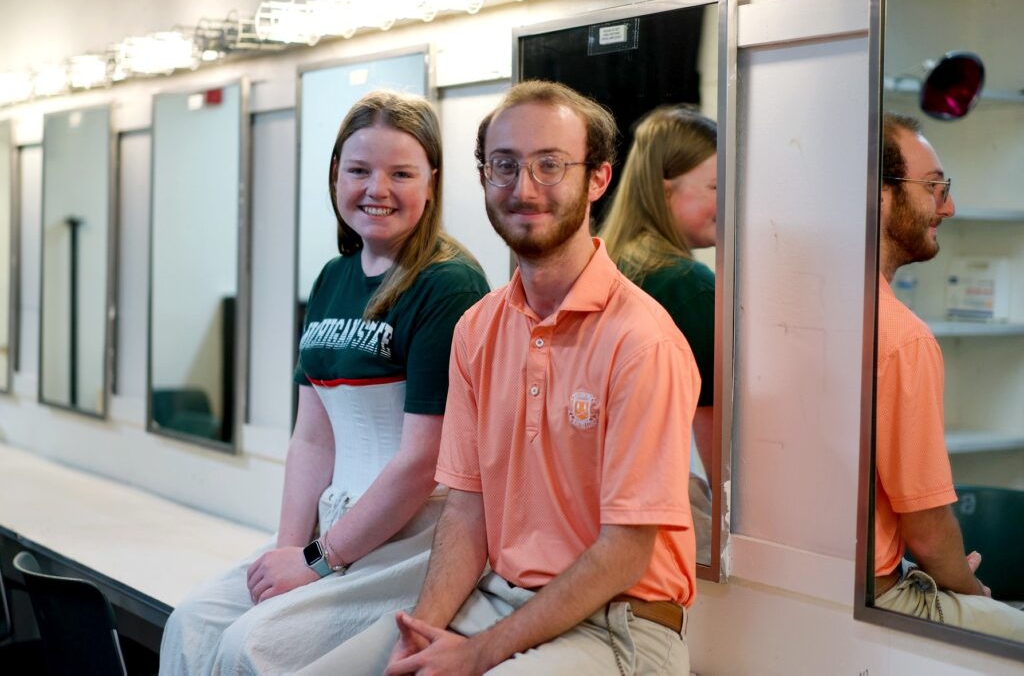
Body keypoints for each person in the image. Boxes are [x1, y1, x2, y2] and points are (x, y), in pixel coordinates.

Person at [300, 80, 700, 675]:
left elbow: (624, 553)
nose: (524, 188)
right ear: (484, 177)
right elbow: (466, 512)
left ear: (598, 179)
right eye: (504, 166)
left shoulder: (642, 341)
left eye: (550, 166)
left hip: (620, 626)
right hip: (497, 597)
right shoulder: (478, 330)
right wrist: (423, 635)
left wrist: (477, 654)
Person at [159, 90, 490, 673]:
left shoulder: (449, 284)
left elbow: (422, 461)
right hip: (331, 530)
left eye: (401, 173)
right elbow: (312, 439)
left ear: (433, 183)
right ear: (336, 174)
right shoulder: (333, 278)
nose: (377, 190)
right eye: (359, 170)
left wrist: (315, 562)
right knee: (190, 625)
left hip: (410, 539)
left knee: (248, 647)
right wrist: (287, 553)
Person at [874, 112, 1024, 639]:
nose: (949, 206)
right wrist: (972, 594)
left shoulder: (798, 308)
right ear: (880, 195)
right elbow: (928, 529)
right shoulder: (901, 336)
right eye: (934, 187)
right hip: (871, 594)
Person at [600, 105, 717, 558]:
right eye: (714, 187)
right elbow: (716, 441)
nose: (728, 201)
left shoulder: (607, 263)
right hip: (662, 510)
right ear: (666, 191)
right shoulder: (687, 284)